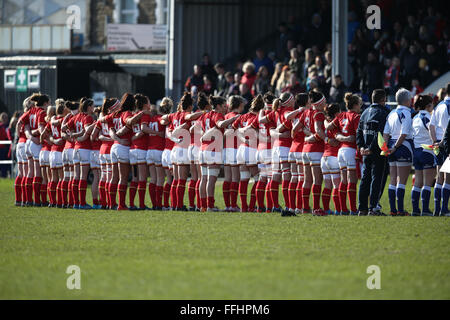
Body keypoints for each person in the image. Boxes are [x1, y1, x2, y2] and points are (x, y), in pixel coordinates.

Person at [356, 89, 390, 216]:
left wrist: (361, 147)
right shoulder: (384, 113)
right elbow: (380, 134)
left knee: (365, 179)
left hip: (365, 152)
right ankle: (373, 208)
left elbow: (359, 131)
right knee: (377, 179)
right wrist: (370, 147)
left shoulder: (364, 112)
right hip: (377, 151)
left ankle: (362, 208)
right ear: (383, 99)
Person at [383, 88, 414, 216]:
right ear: (407, 101)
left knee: (393, 180)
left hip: (391, 146)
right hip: (402, 146)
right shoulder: (406, 113)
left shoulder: (391, 113)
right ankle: (400, 209)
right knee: (401, 181)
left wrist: (386, 147)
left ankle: (393, 209)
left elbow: (386, 133)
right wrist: (395, 147)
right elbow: (404, 133)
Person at [233, 95, 264, 212]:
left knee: (244, 179)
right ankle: (251, 206)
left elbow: (233, 128)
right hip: (251, 150)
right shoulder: (258, 118)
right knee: (258, 179)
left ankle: (244, 207)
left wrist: (242, 138)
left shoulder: (243, 117)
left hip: (241, 150)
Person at [411, 95, 436, 216]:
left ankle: (415, 210)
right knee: (427, 183)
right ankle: (425, 210)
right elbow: (431, 130)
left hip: (416, 152)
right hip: (427, 151)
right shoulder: (427, 117)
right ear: (428, 106)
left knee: (417, 182)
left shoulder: (415, 117)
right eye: (432, 105)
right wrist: (436, 142)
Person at [429, 82, 450, 216]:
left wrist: (435, 141)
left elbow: (431, 126)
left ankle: (437, 209)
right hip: (447, 144)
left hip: (438, 144)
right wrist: (443, 142)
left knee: (439, 178)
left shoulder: (438, 106)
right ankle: (444, 209)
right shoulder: (448, 106)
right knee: (447, 178)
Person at [223, 95, 245, 212]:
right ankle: (233, 205)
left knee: (227, 178)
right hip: (236, 148)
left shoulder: (226, 116)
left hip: (226, 149)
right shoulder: (239, 117)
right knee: (236, 178)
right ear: (240, 105)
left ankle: (227, 205)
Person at [321, 103, 342, 215]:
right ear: (336, 113)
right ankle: (338, 210)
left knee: (328, 185)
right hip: (333, 156)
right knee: (336, 185)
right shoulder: (335, 123)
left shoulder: (326, 121)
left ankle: (326, 209)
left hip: (324, 158)